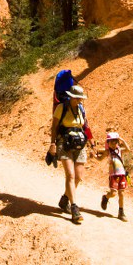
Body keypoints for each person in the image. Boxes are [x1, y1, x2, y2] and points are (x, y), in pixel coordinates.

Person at [48, 84, 95, 224]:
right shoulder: (61, 108)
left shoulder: (81, 109)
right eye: (77, 98)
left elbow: (86, 127)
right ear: (71, 96)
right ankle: (74, 208)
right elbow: (54, 127)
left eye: (81, 98)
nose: (80, 100)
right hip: (64, 143)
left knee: (78, 177)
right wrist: (53, 144)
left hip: (79, 144)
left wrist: (93, 144)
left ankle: (65, 199)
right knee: (70, 175)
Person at [97, 129, 130, 221]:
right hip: (113, 175)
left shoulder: (120, 150)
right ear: (108, 143)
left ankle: (121, 212)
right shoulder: (107, 152)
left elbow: (128, 149)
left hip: (122, 174)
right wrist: (94, 156)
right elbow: (100, 159)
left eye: (115, 141)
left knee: (121, 193)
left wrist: (123, 141)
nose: (113, 143)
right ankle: (106, 197)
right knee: (113, 193)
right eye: (111, 142)